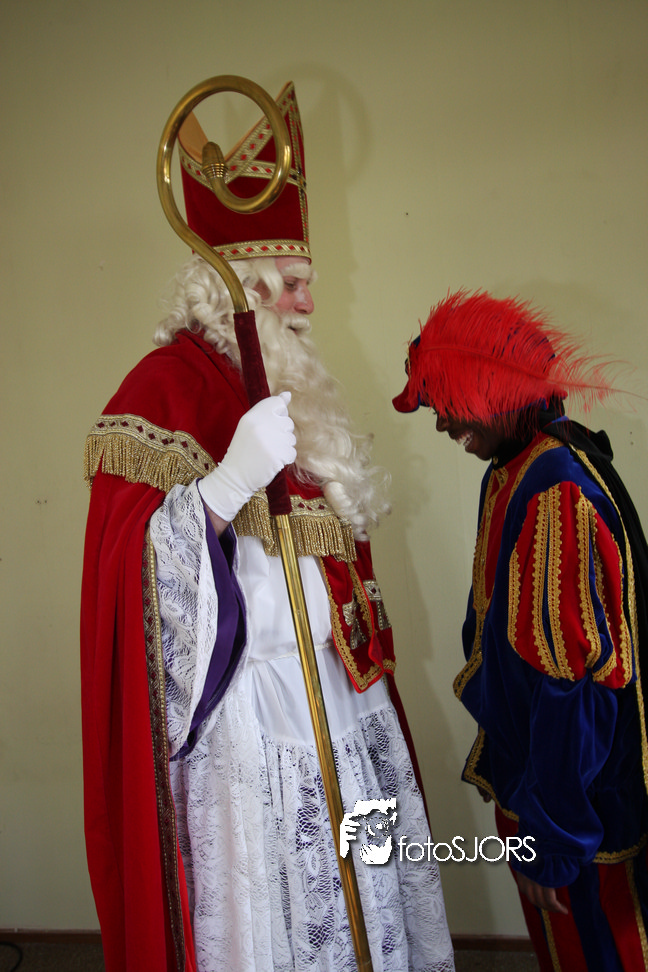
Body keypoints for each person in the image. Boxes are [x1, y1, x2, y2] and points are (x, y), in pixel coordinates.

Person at [81, 81, 454, 972]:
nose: (308, 305)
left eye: (307, 283)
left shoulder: (300, 398)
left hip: (340, 708)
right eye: (290, 285)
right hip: (249, 730)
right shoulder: (162, 391)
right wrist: (221, 489)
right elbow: (132, 592)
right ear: (235, 288)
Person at [393, 289, 648, 971]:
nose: (441, 424)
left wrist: (551, 839)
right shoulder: (518, 467)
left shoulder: (555, 488)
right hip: (542, 786)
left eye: (445, 403)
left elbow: (573, 687)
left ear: (492, 391)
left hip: (574, 810)